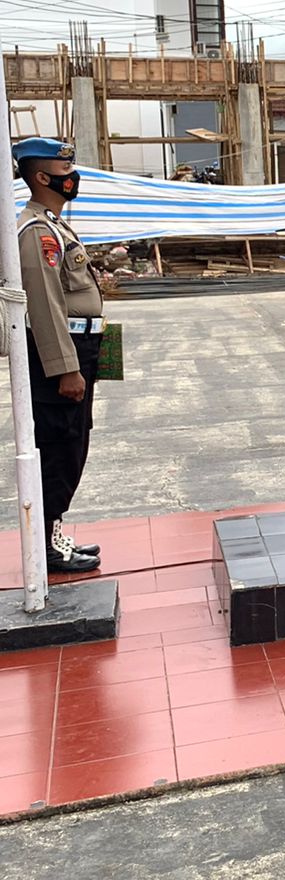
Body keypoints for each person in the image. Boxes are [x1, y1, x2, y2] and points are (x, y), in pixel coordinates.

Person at [14, 138, 103, 573]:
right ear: (42, 178)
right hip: (60, 357)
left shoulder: (54, 224)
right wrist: (66, 368)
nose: (74, 177)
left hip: (81, 347)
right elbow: (44, 305)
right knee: (58, 447)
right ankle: (47, 545)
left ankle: (54, 533)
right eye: (64, 170)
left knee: (72, 444)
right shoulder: (37, 232)